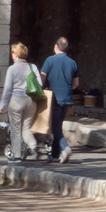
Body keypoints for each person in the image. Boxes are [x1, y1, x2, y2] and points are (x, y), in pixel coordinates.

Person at [0, 42, 43, 163]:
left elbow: (8, 89)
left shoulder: (12, 69)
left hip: (16, 101)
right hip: (31, 101)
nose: (12, 55)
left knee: (15, 130)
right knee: (26, 127)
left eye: (12, 53)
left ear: (16, 54)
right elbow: (39, 84)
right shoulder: (33, 67)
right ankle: (33, 146)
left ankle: (17, 156)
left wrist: (2, 104)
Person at [40, 36, 79, 164]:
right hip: (67, 98)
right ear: (66, 48)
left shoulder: (50, 60)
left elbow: (42, 77)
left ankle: (65, 148)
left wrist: (40, 89)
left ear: (56, 47)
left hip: (54, 97)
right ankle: (54, 155)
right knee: (58, 125)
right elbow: (76, 83)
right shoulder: (72, 63)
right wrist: (67, 89)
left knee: (54, 127)